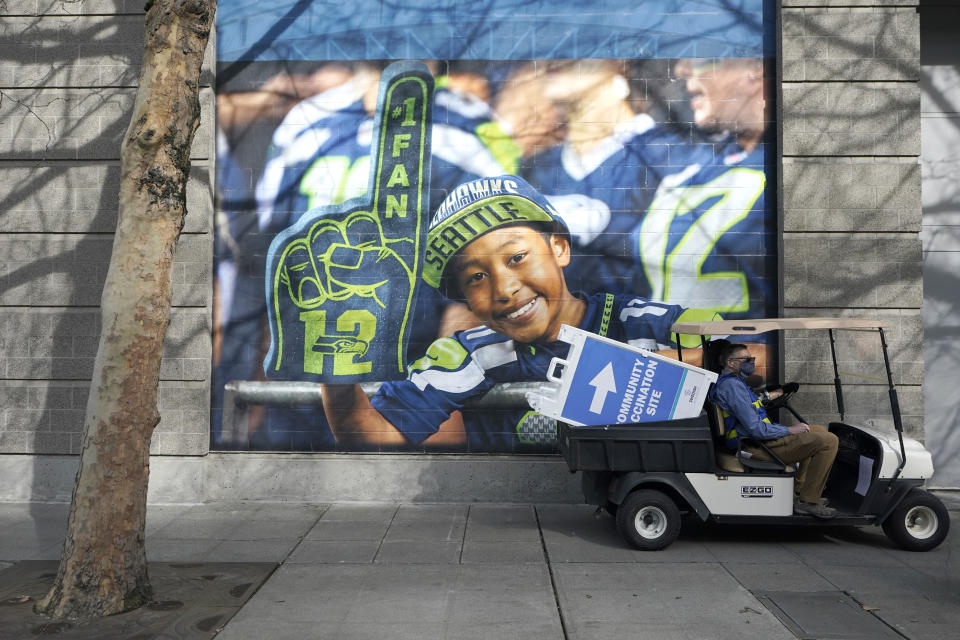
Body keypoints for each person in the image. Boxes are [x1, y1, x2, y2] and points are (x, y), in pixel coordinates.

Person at [321, 175, 716, 451]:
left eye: (517, 257)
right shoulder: (468, 354)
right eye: (476, 277)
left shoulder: (639, 319)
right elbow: (374, 435)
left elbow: (753, 356)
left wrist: (628, 373)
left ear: (559, 248)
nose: (504, 289)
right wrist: (332, 370)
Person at [710, 343, 839, 518]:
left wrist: (776, 394)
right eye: (746, 359)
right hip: (756, 446)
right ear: (731, 363)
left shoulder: (734, 383)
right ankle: (809, 501)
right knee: (829, 441)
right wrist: (789, 430)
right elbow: (756, 429)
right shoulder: (732, 386)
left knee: (817, 430)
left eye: (751, 358)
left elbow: (753, 404)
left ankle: (801, 492)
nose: (751, 362)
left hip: (757, 441)